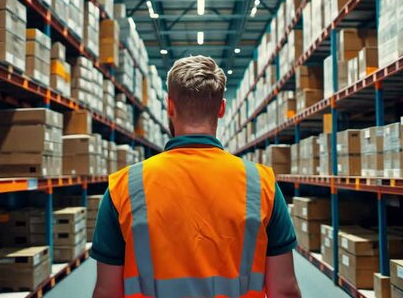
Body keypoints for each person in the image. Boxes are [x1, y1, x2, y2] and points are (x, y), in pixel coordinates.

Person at [91, 55, 300, 298]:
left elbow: (106, 293)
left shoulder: (124, 187)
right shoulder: (262, 185)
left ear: (169, 106)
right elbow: (284, 291)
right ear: (221, 109)